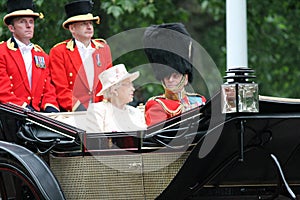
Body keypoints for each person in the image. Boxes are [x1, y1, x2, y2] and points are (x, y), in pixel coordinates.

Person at [49, 0, 112, 112]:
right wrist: (83, 109)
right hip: (75, 113)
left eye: (90, 23)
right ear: (72, 28)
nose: (89, 27)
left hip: (102, 111)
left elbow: (109, 83)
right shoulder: (59, 52)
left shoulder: (103, 49)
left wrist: (104, 107)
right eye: (84, 24)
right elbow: (61, 90)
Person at [0, 0, 59, 112]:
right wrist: (25, 109)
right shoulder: (2, 52)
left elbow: (48, 90)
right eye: (22, 22)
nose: (28, 26)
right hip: (10, 115)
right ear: (11, 28)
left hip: (37, 115)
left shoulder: (41, 55)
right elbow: (2, 91)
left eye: (31, 22)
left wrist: (51, 108)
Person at [143, 23, 206, 126]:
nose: (171, 80)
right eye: (167, 76)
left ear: (185, 78)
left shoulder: (199, 100)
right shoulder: (156, 105)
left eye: (175, 76)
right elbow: (160, 137)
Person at [86, 64, 146, 133]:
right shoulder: (97, 110)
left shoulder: (135, 112)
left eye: (132, 84)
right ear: (114, 89)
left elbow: (143, 140)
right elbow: (95, 141)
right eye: (128, 84)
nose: (133, 89)